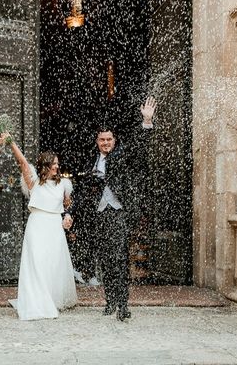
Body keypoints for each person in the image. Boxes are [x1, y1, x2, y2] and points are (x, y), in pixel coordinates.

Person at [64, 96, 156, 321]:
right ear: (97, 141)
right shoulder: (91, 162)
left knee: (120, 259)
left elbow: (138, 146)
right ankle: (110, 301)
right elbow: (81, 192)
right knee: (105, 259)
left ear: (114, 141)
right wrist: (70, 212)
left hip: (118, 213)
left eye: (109, 139)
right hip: (99, 215)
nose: (106, 143)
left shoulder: (121, 155)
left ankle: (123, 305)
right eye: (102, 140)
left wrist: (146, 121)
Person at [0, 132, 77, 320]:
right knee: (36, 262)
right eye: (53, 163)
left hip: (54, 227)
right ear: (45, 165)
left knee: (53, 263)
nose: (57, 166)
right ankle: (36, 300)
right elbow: (23, 162)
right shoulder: (33, 182)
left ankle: (51, 297)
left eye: (57, 163)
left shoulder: (63, 185)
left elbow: (68, 205)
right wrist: (11, 142)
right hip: (37, 225)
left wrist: (68, 217)